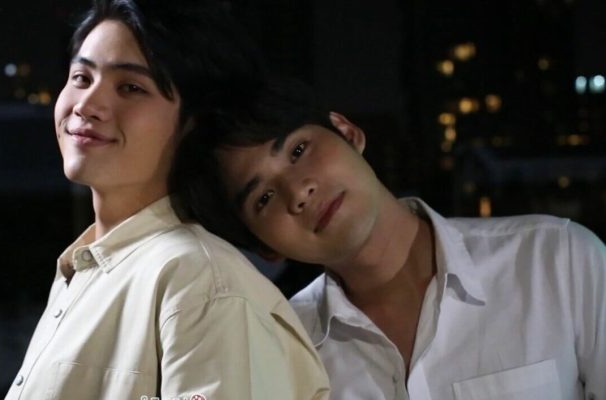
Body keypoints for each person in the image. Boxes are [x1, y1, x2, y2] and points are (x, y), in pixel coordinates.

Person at [172, 78, 606, 399]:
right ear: (264, 247)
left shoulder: (555, 260)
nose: (298, 191)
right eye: (263, 198)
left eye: (299, 150)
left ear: (347, 132)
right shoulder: (281, 350)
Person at [4, 3, 330, 399]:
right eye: (81, 77)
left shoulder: (199, 282)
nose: (87, 105)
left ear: (192, 123)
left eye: (130, 87)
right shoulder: (91, 269)